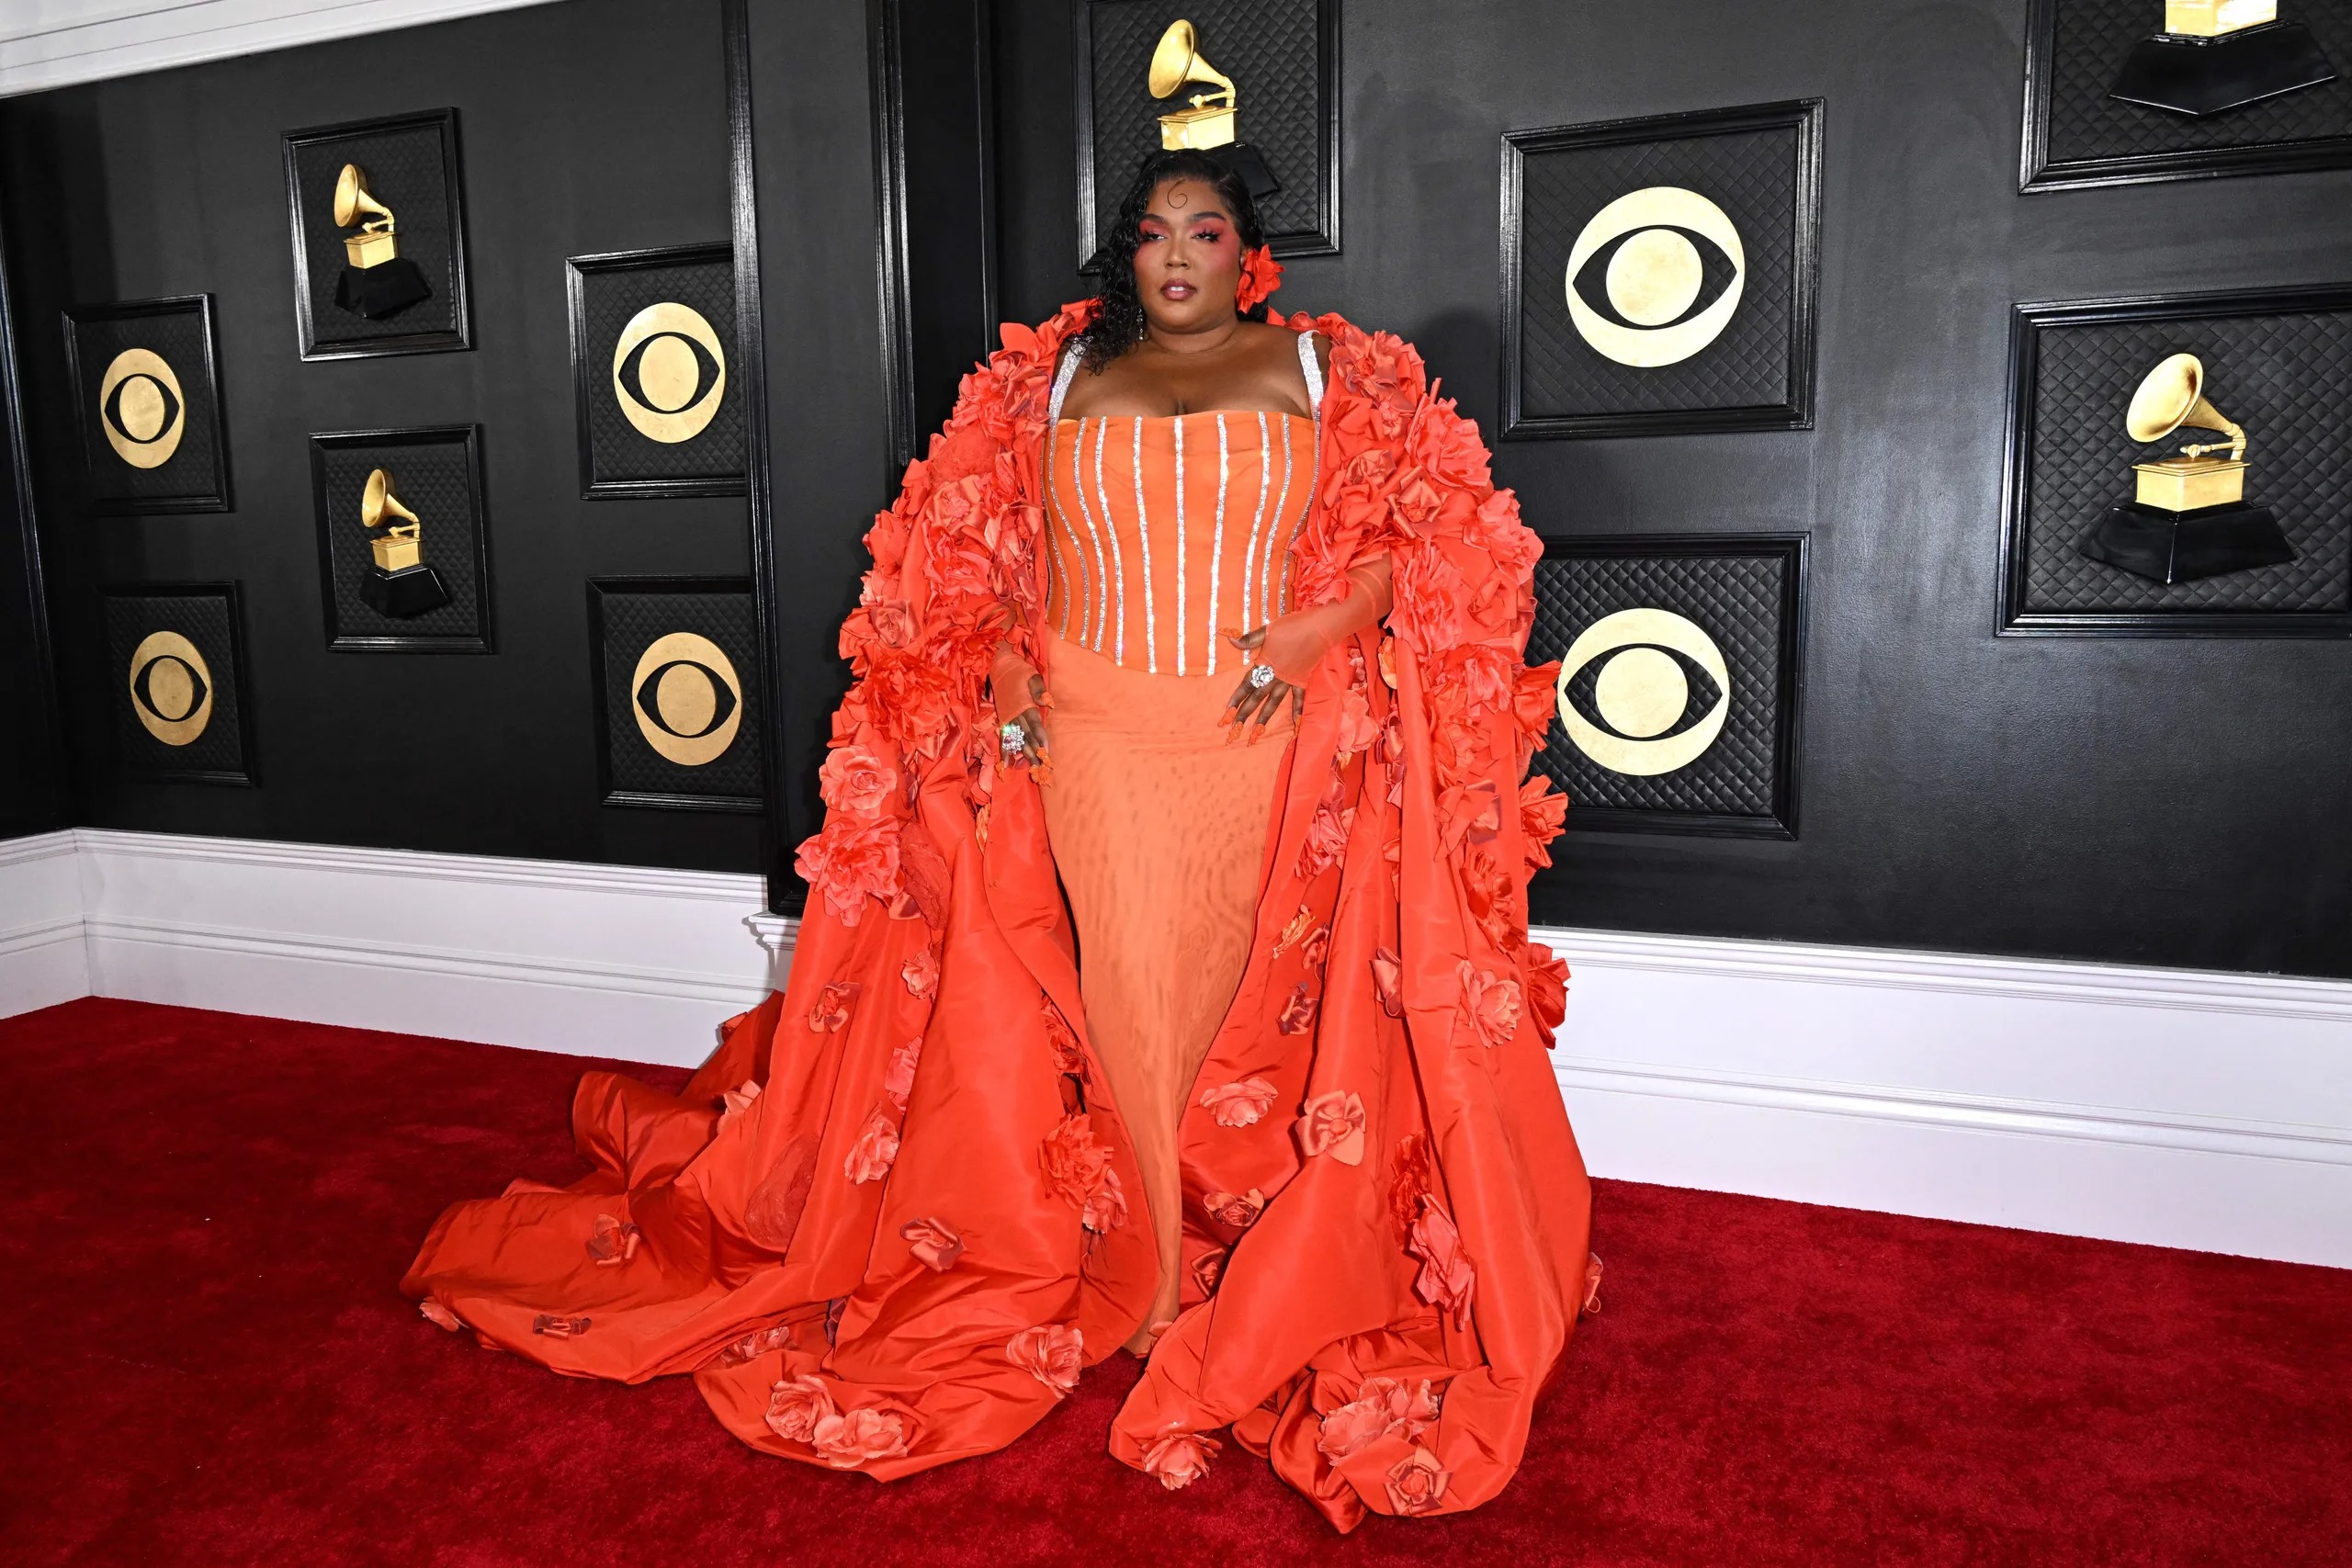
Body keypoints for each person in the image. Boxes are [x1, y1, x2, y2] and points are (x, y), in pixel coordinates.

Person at [403, 149, 1597, 1531]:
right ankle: (1147, 1282)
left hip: (1269, 752)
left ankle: (1226, 1252)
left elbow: (1429, 540)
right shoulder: (1048, 381)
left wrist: (1327, 625)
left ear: (1250, 251)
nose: (1177, 256)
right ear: (1124, 254)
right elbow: (981, 562)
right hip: (1086, 741)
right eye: (1151, 234)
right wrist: (1015, 684)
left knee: (1243, 1021)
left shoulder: (1341, 375)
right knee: (1124, 1008)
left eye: (1206, 231)